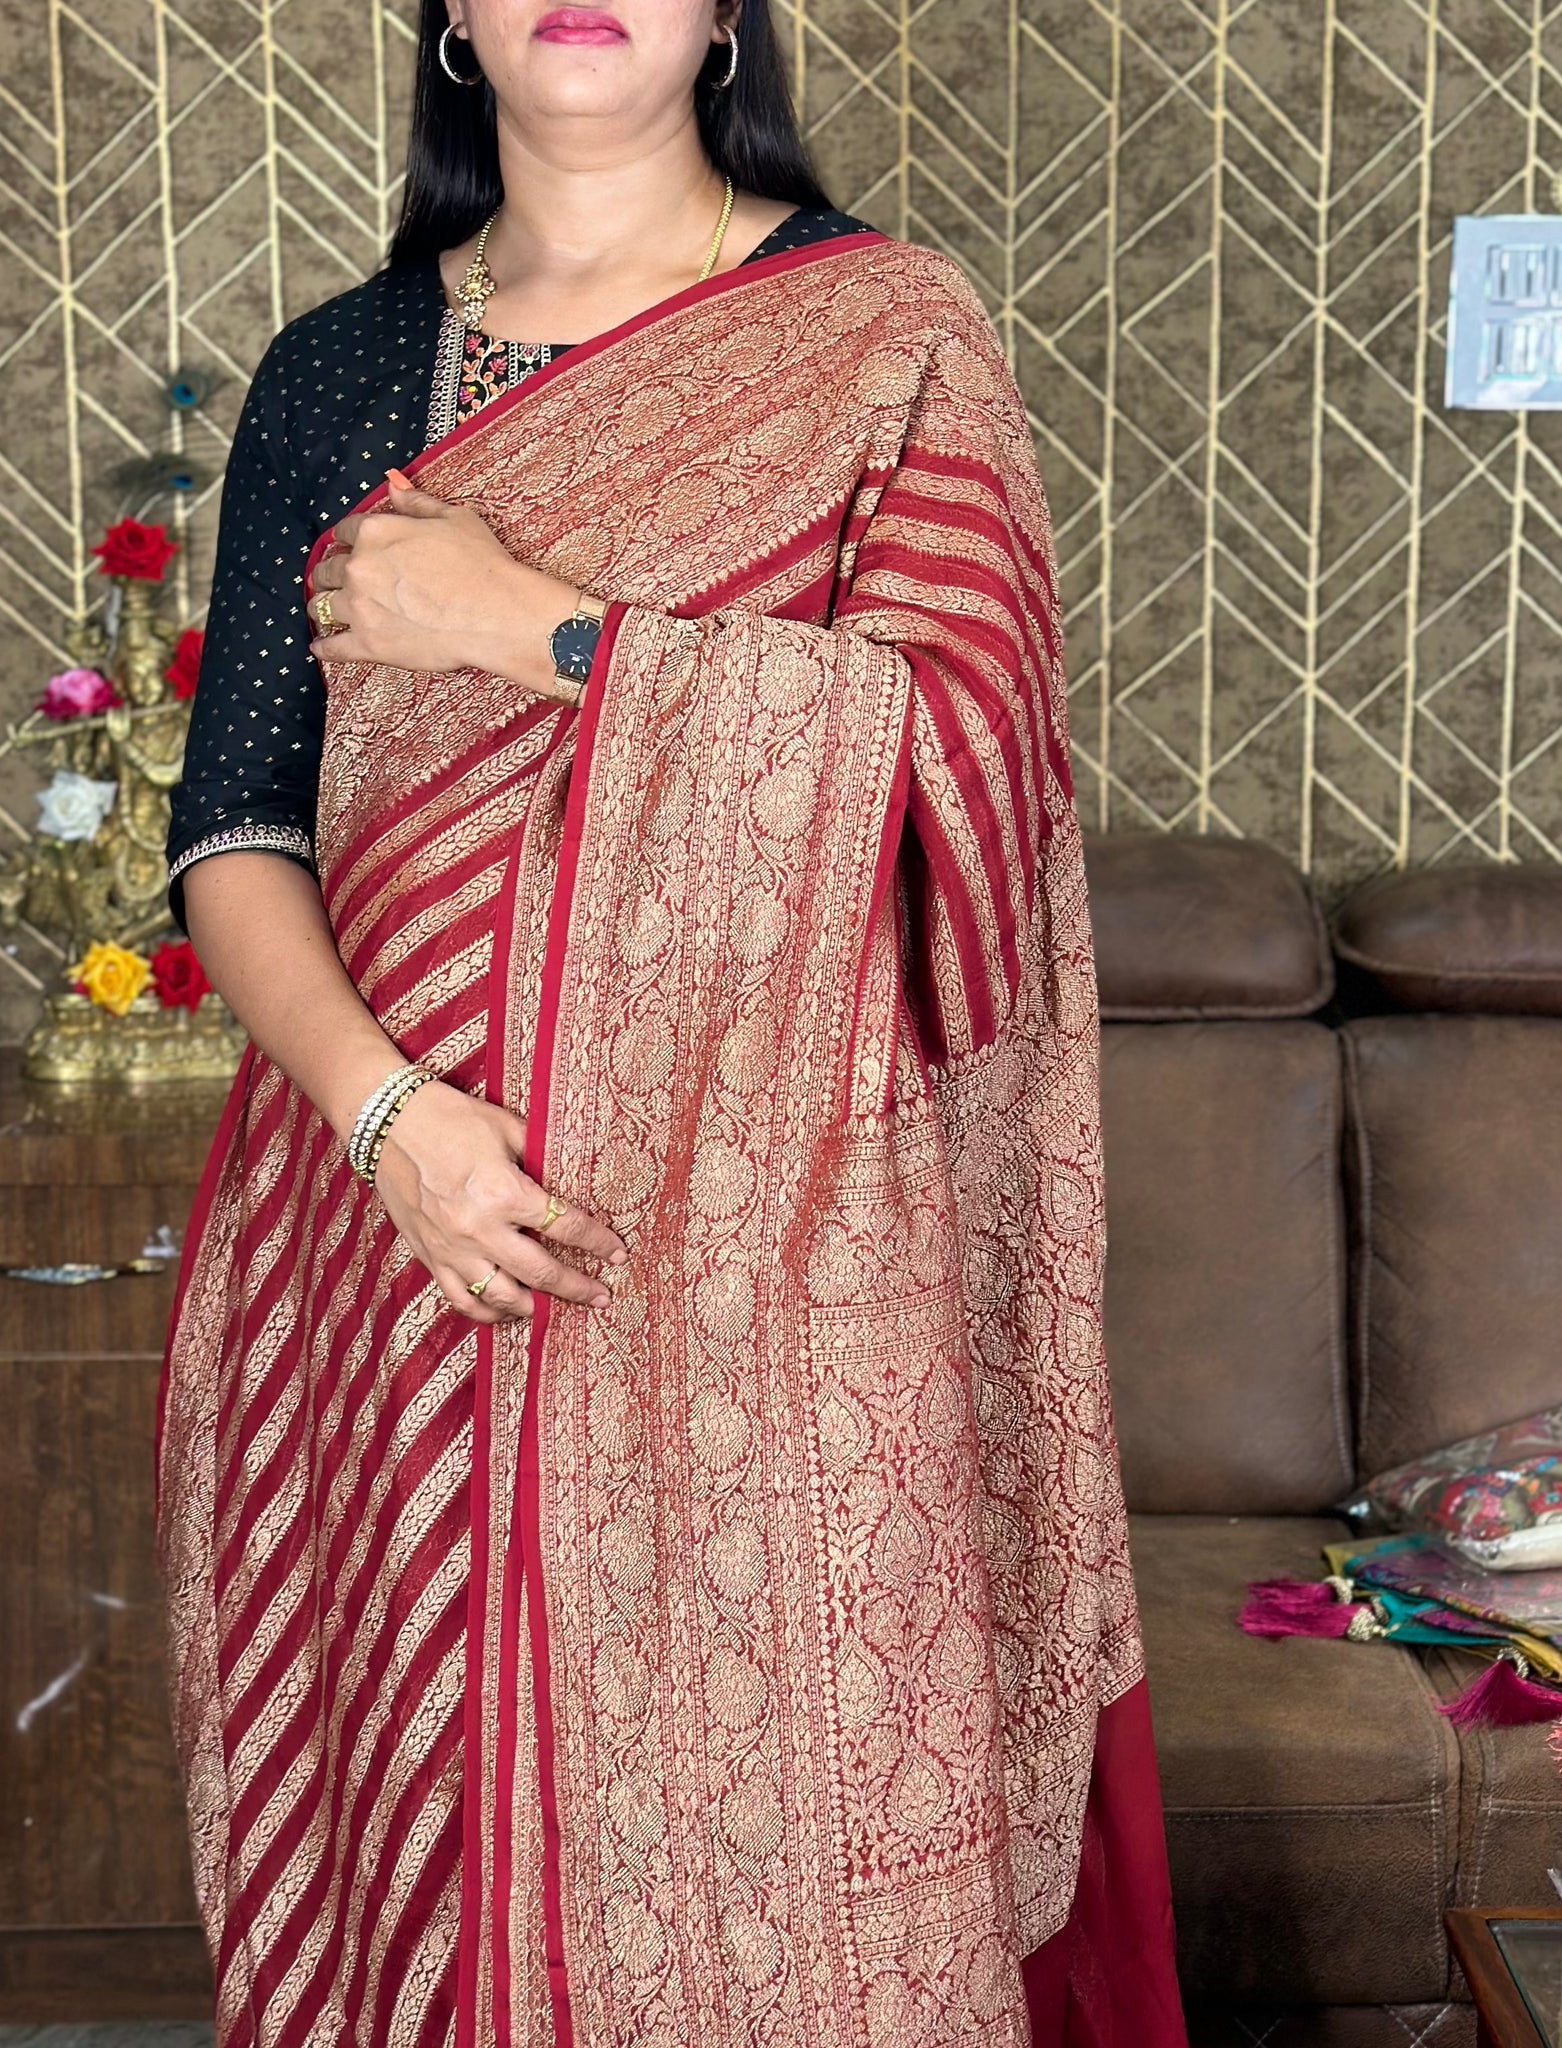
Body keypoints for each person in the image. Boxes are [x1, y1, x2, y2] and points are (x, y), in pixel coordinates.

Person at [155, 4, 1189, 2043]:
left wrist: (527, 628)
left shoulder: (881, 333)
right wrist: (393, 1124)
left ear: (727, 10)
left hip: (770, 1269)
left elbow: (962, 768)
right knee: (420, 1812)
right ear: (451, 20)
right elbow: (235, 830)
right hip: (396, 1249)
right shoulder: (339, 369)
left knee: (781, 1816)